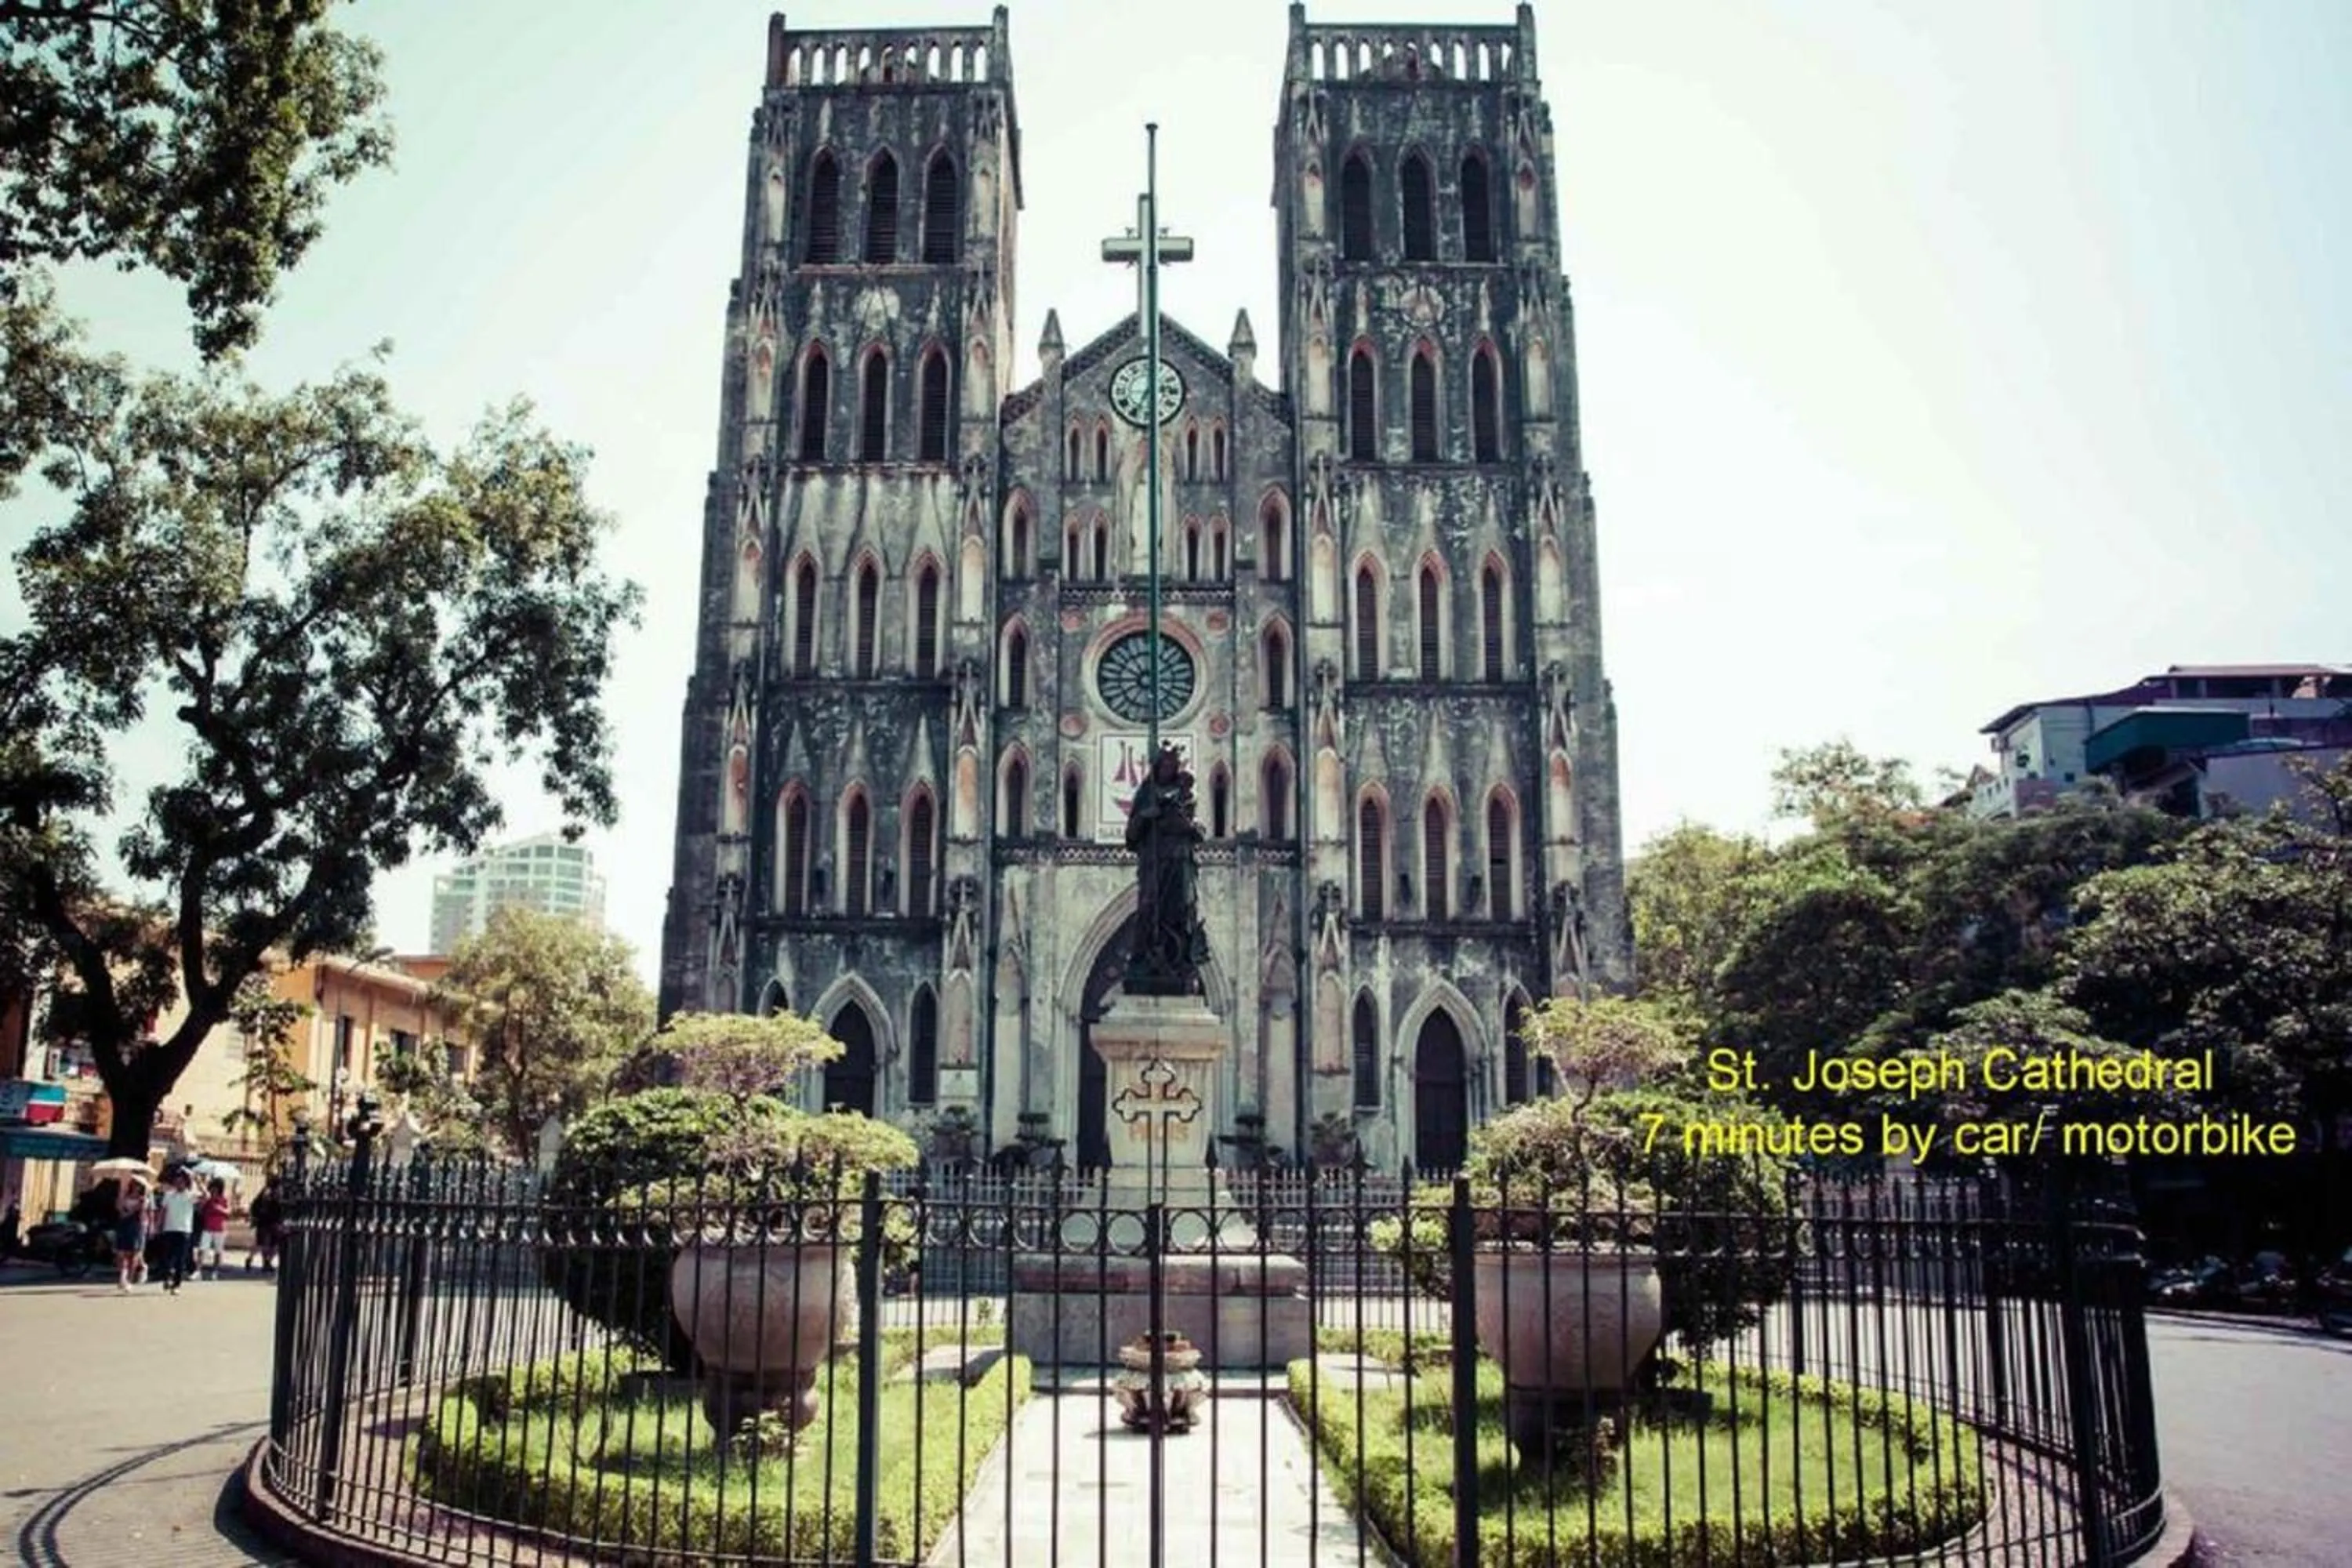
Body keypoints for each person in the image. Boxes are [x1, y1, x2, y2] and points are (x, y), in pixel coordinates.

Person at [154, 1170, 198, 1294]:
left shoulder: (190, 1196)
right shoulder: (169, 1195)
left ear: (185, 1183)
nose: (179, 1184)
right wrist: (158, 1225)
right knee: (167, 1257)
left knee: (180, 1259)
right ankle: (167, 1277)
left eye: (182, 1182)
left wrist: (197, 1181)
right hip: (169, 1229)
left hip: (184, 1230)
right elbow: (163, 1211)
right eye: (177, 1182)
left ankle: (177, 1284)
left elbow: (206, 1196)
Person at [112, 1178, 149, 1294]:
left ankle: (129, 1280)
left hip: (136, 1226)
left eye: (138, 1185)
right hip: (124, 1226)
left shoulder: (143, 1199)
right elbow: (119, 1208)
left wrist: (140, 1205)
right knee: (121, 1254)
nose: (136, 1187)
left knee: (133, 1255)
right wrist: (121, 1195)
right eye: (134, 1184)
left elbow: (141, 1212)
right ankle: (122, 1276)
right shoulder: (125, 1197)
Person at [194, 1178, 230, 1281]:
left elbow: (228, 1212)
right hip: (208, 1228)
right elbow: (200, 1211)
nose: (214, 1190)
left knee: (218, 1251)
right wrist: (203, 1203)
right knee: (202, 1249)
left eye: (216, 1188)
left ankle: (215, 1271)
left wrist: (219, 1208)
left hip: (220, 1228)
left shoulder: (224, 1199)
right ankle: (198, 1271)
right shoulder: (208, 1199)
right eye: (212, 1188)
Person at [247, 1177, 283, 1272]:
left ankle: (261, 1261)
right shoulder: (273, 1193)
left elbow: (254, 1205)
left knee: (264, 1243)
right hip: (269, 1221)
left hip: (265, 1221)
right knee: (268, 1244)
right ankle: (266, 1262)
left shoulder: (265, 1192)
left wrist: (254, 1217)